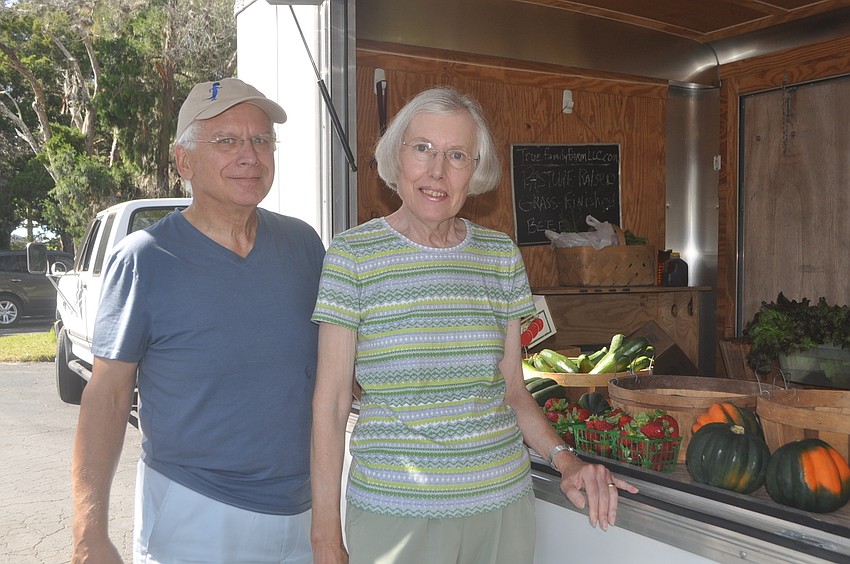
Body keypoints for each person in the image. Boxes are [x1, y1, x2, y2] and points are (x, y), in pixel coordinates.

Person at [309, 86, 638, 564]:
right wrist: (324, 535)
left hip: (501, 509)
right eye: (422, 148)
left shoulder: (500, 255)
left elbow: (513, 390)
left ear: (475, 170)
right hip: (396, 514)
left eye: (457, 155)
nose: (437, 171)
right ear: (395, 157)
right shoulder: (352, 255)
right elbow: (331, 402)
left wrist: (566, 460)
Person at [71, 77, 325, 563]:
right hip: (194, 512)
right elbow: (106, 396)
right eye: (226, 141)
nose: (249, 155)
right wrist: (89, 533)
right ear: (184, 161)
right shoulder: (145, 259)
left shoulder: (304, 245)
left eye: (261, 139)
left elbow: (333, 369)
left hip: (306, 509)